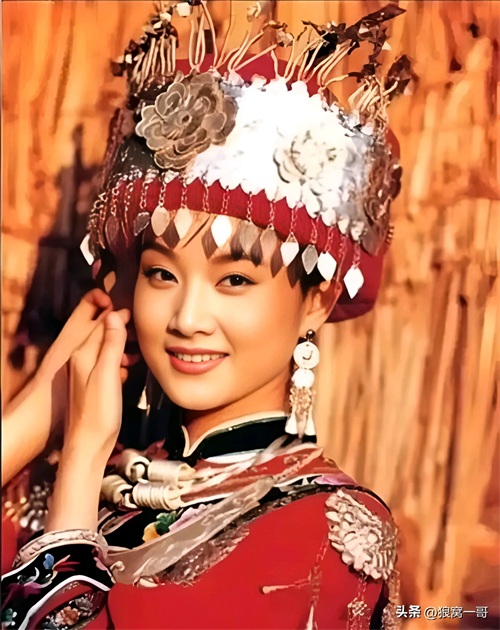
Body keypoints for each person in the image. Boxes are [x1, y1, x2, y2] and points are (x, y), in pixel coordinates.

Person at [1, 1, 411, 628]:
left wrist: (81, 459)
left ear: (317, 301)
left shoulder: (324, 537)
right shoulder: (82, 486)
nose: (188, 317)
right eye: (162, 274)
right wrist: (35, 416)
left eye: (235, 280)